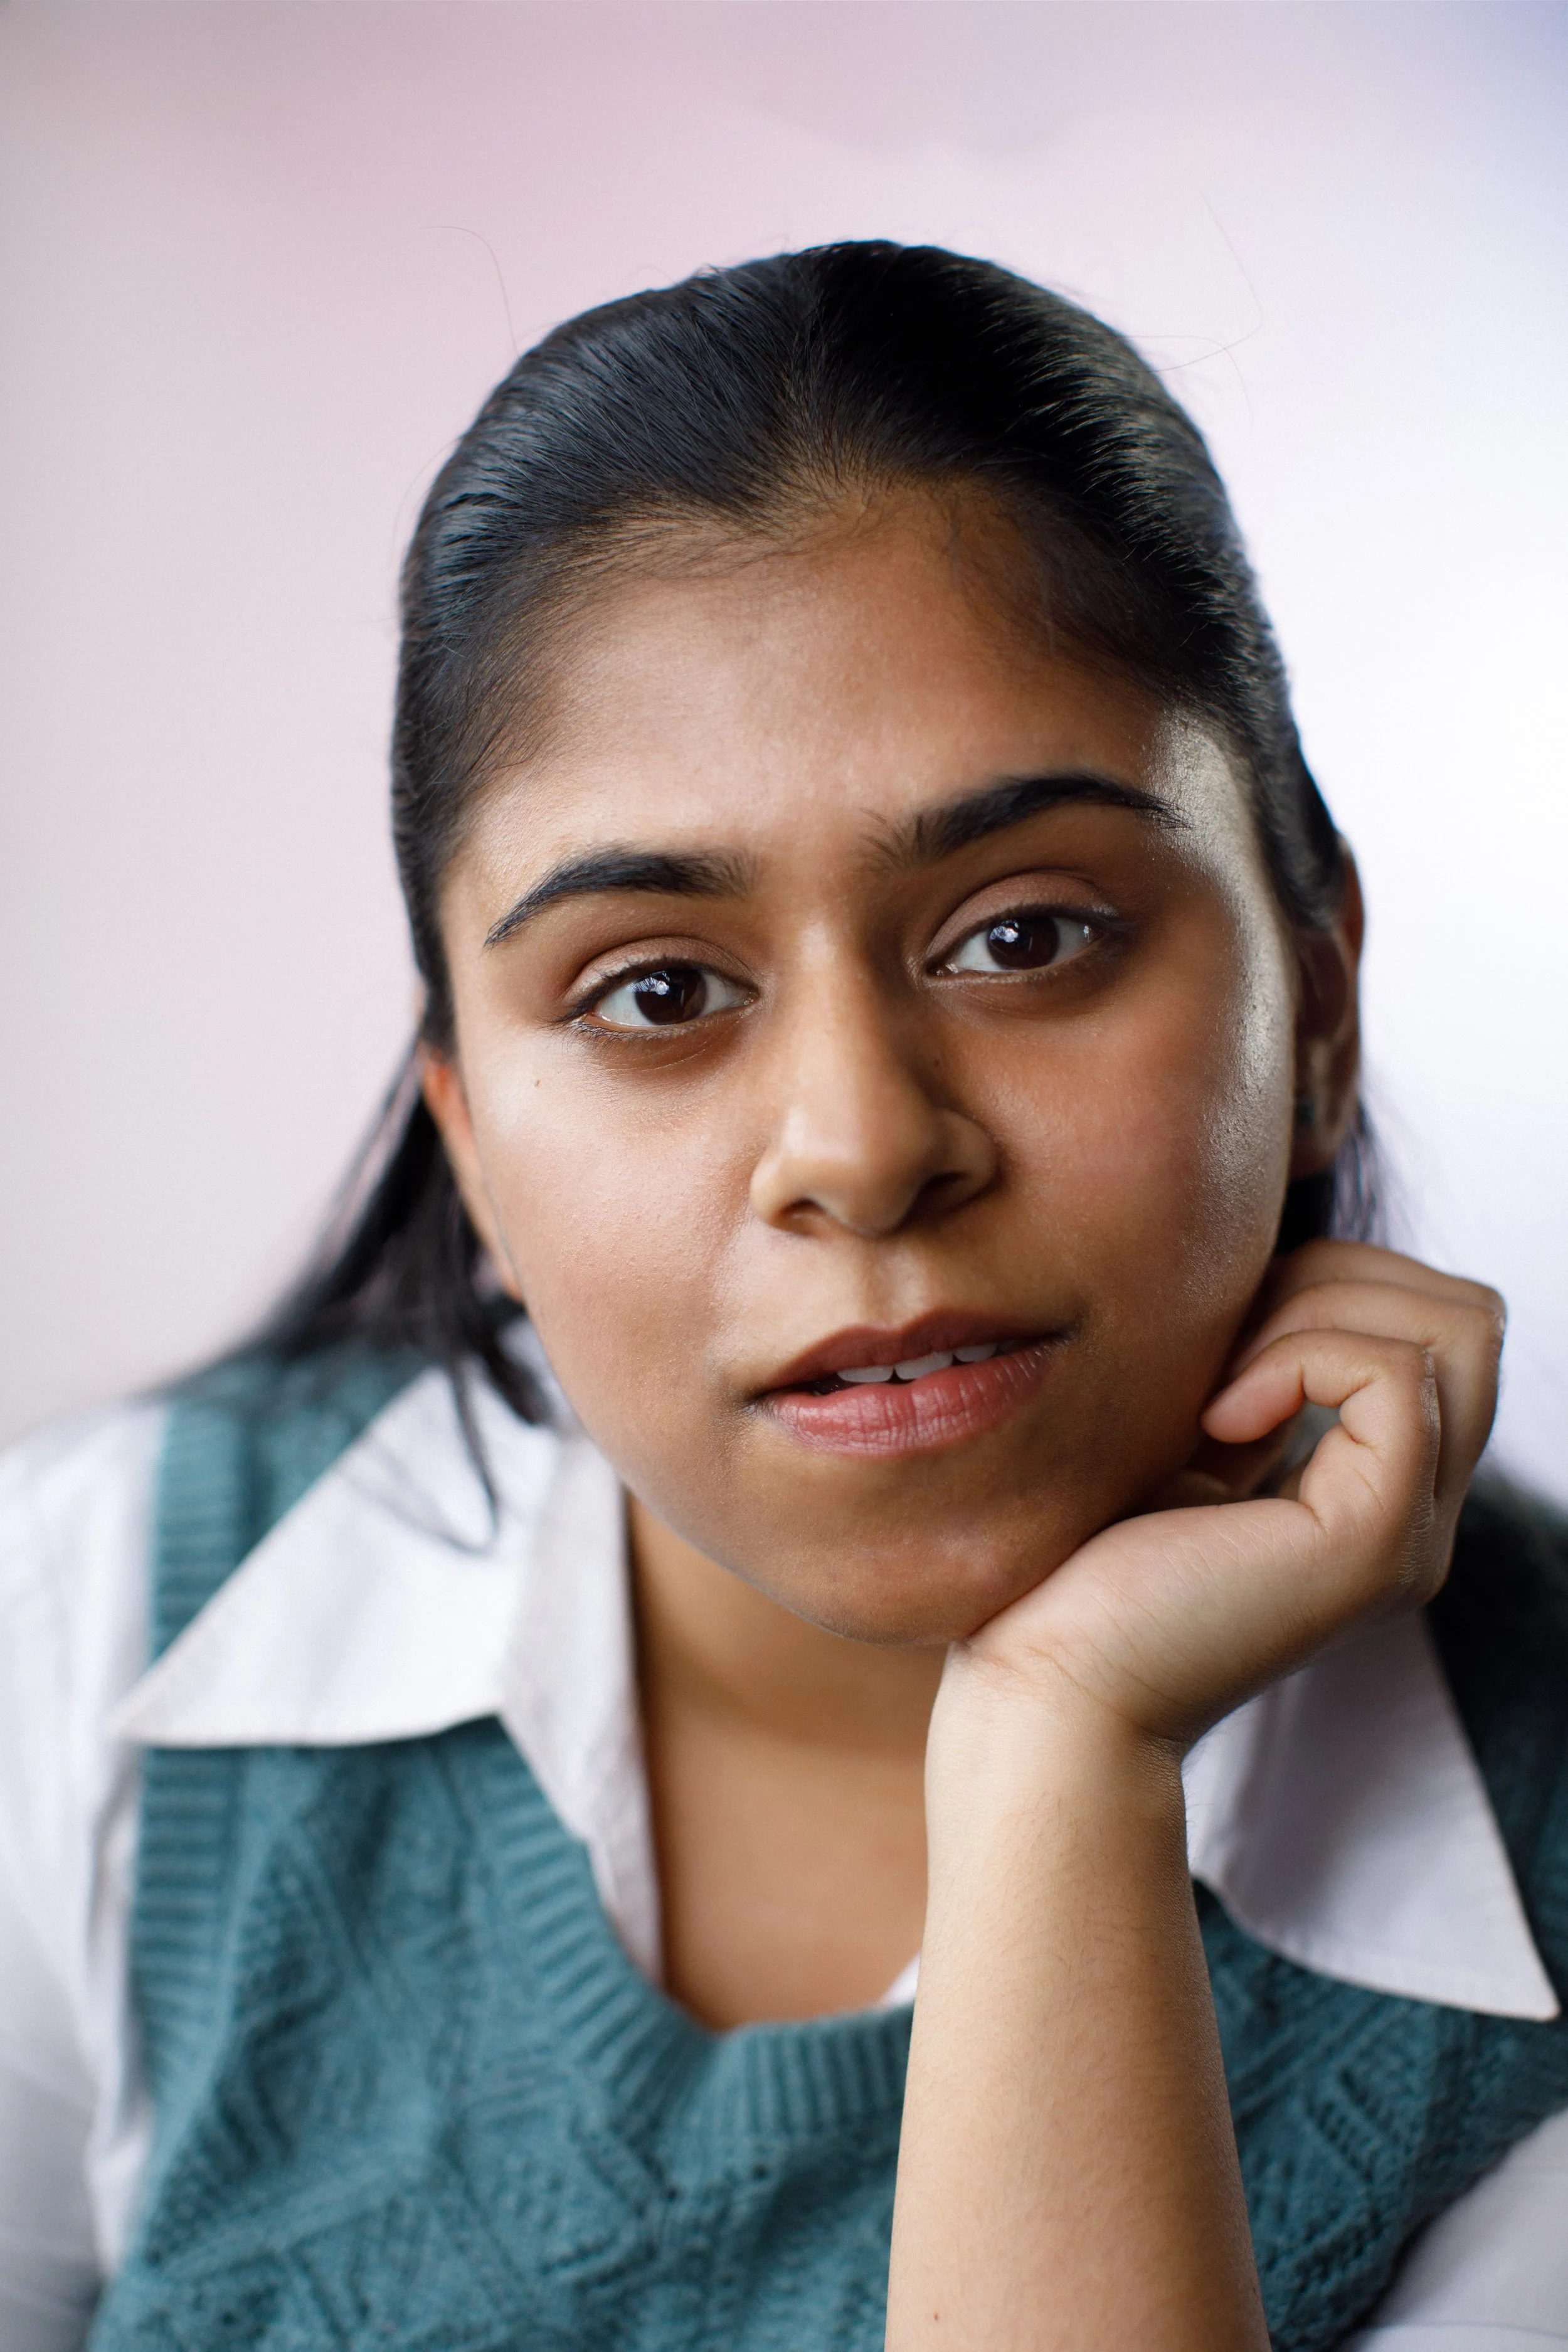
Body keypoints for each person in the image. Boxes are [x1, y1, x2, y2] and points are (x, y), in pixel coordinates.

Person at [3, 241, 1565, 2352]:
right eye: (656, 990)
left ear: (1315, 996)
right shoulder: (88, 1629)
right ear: (467, 1132)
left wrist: (1059, 1758)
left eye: (1024, 936)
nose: (857, 1139)